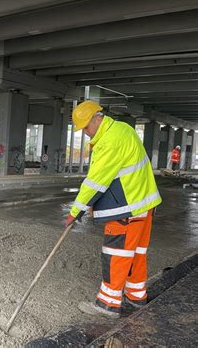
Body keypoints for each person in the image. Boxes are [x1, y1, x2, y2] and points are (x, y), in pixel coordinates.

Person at [65, 101, 162, 318]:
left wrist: (75, 212)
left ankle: (108, 304)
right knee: (136, 254)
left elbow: (96, 182)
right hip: (144, 206)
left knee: (116, 255)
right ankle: (137, 297)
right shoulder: (124, 129)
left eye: (86, 128)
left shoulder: (109, 141)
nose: (86, 134)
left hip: (127, 209)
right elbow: (119, 174)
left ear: (96, 118)